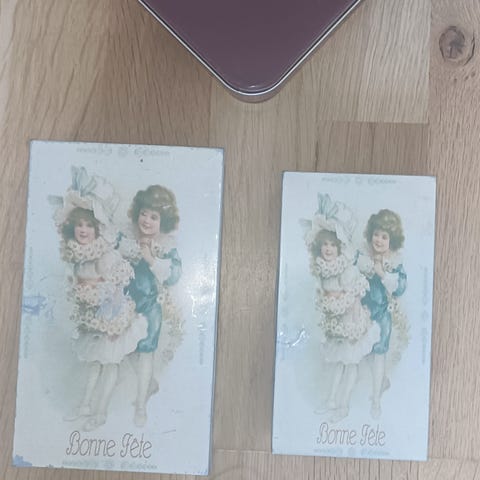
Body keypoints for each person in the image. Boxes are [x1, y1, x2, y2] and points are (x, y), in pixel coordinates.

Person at [60, 206, 147, 431]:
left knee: (109, 363)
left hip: (113, 318)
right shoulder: (77, 254)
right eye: (79, 225)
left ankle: (100, 413)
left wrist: (113, 323)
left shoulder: (105, 254)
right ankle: (84, 405)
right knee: (94, 362)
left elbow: (118, 288)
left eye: (89, 225)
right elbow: (79, 286)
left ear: (98, 229)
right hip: (93, 318)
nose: (83, 230)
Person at [304, 194, 379, 423]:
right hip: (336, 324)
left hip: (351, 323)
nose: (328, 249)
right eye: (325, 245)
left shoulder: (346, 269)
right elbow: (324, 294)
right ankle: (331, 401)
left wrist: (350, 322)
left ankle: (343, 405)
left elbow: (355, 294)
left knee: (350, 363)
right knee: (337, 362)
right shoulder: (323, 268)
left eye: (332, 245)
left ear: (339, 247)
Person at [119, 185, 182, 427]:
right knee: (124, 350)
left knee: (145, 353)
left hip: (148, 307)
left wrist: (149, 257)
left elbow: (173, 276)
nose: (146, 220)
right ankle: (150, 383)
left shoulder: (165, 247)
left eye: (154, 217)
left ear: (163, 221)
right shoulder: (127, 238)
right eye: (144, 213)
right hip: (123, 305)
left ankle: (141, 405)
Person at [356, 209, 408, 419]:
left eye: (384, 237)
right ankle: (382, 380)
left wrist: (382, 273)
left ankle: (376, 400)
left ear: (391, 240)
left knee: (378, 354)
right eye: (376, 234)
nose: (378, 240)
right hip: (361, 313)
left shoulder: (394, 263)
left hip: (381, 315)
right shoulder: (363, 256)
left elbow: (400, 288)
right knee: (365, 353)